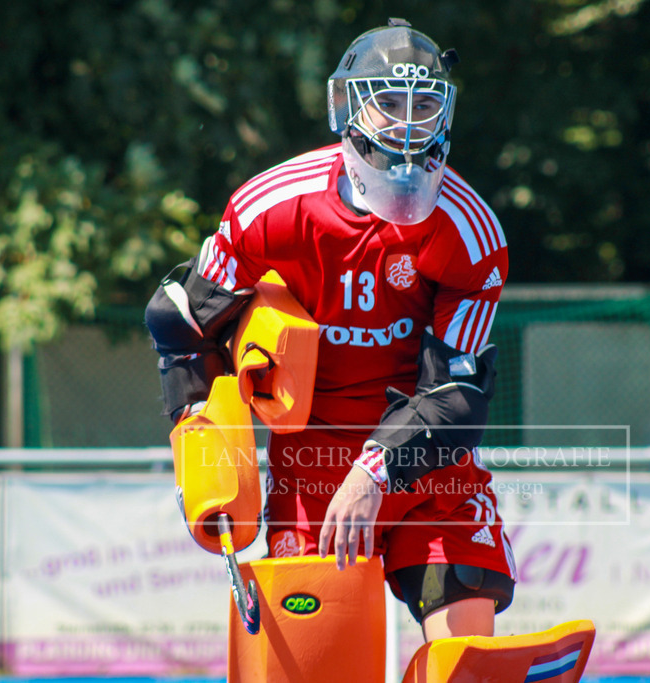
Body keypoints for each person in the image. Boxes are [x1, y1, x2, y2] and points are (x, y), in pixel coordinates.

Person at [145, 18, 514, 642]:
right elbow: (180, 321)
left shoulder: (470, 232)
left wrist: (374, 469)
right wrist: (203, 441)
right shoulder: (271, 207)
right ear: (346, 106)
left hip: (426, 464)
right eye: (389, 103)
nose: (406, 124)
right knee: (318, 659)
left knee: (466, 651)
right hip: (312, 468)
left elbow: (458, 396)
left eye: (424, 104)